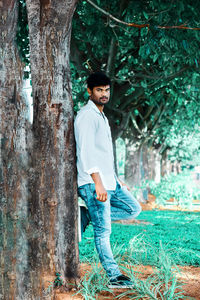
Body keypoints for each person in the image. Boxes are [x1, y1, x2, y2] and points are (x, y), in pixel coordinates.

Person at [74, 72, 141, 288]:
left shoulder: (101, 116)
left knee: (133, 209)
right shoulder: (86, 116)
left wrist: (115, 178)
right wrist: (98, 181)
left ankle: (87, 212)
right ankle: (114, 276)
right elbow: (85, 151)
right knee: (104, 231)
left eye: (107, 90)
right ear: (89, 91)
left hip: (109, 182)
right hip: (94, 183)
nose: (104, 94)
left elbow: (103, 153)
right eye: (99, 90)